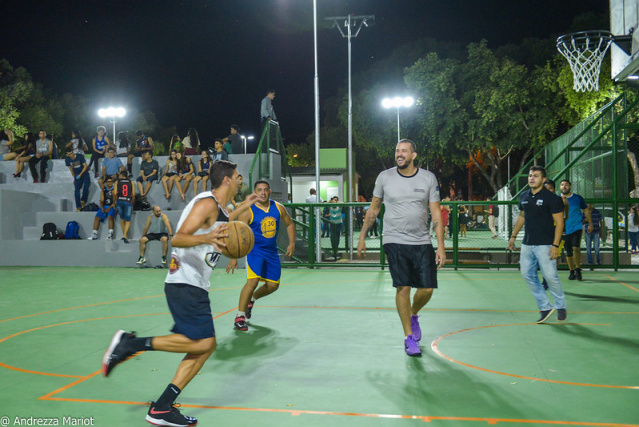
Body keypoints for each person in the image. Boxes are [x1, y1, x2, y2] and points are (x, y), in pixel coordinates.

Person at [102, 160, 256, 426]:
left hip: (194, 283)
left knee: (204, 348)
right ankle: (130, 345)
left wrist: (245, 205)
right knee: (204, 344)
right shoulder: (206, 203)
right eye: (237, 176)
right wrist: (207, 238)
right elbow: (179, 238)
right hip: (185, 282)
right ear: (227, 180)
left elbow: (224, 220)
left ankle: (162, 407)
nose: (240, 180)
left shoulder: (219, 208)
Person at [357, 139, 446, 357]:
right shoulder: (384, 177)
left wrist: (441, 246)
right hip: (394, 239)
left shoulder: (428, 178)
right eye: (397, 150)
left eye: (404, 151)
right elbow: (374, 208)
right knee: (403, 287)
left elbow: (435, 213)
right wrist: (362, 236)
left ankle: (413, 314)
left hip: (422, 240)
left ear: (413, 155)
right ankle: (409, 337)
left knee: (426, 289)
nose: (399, 154)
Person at [230, 179, 296, 331]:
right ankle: (239, 317)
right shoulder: (248, 210)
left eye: (265, 190)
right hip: (255, 251)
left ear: (270, 192)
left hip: (271, 251)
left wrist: (292, 243)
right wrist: (234, 256)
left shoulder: (278, 207)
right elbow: (238, 234)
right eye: (259, 190)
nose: (263, 193)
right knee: (252, 282)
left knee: (273, 285)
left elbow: (289, 224)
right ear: (255, 192)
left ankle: (252, 300)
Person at [508, 166, 567, 323]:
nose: (532, 178)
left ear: (543, 179)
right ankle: (545, 306)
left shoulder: (552, 198)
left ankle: (560, 305)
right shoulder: (524, 196)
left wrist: (555, 246)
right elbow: (522, 216)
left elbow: (560, 222)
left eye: (535, 176)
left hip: (546, 245)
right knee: (527, 274)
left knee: (550, 276)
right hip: (527, 244)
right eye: (530, 175)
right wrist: (513, 236)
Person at [559, 179, 593, 281]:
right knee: (568, 251)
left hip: (576, 227)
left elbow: (586, 210)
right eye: (562, 185)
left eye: (566, 185)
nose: (564, 186)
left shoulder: (578, 198)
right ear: (560, 187)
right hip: (564, 228)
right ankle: (571, 271)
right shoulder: (557, 199)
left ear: (570, 186)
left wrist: (590, 224)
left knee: (576, 248)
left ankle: (578, 269)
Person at [64, 146, 90, 211]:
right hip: (76, 175)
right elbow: (71, 170)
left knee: (86, 186)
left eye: (71, 153)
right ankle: (78, 206)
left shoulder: (79, 156)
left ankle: (83, 200)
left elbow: (85, 166)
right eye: (69, 154)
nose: (71, 155)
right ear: (67, 155)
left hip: (84, 174)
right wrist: (74, 178)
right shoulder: (67, 160)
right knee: (76, 190)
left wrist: (80, 174)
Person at [114, 170, 135, 243]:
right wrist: (132, 202)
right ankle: (124, 236)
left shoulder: (117, 182)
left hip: (119, 201)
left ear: (122, 175)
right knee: (128, 220)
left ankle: (124, 235)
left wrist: (115, 201)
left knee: (122, 218)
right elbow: (133, 194)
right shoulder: (131, 182)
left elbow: (115, 193)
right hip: (127, 201)